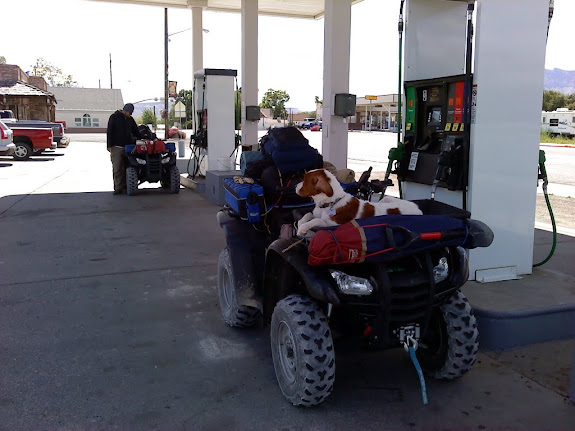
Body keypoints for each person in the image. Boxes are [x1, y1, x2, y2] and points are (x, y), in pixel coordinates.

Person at [106, 103, 141, 195]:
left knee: (127, 167)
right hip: (116, 147)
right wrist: (109, 145)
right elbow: (109, 131)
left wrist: (143, 138)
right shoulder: (114, 117)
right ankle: (118, 188)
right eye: (130, 112)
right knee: (117, 168)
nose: (131, 114)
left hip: (128, 147)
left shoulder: (130, 119)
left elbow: (136, 131)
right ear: (125, 110)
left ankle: (126, 186)